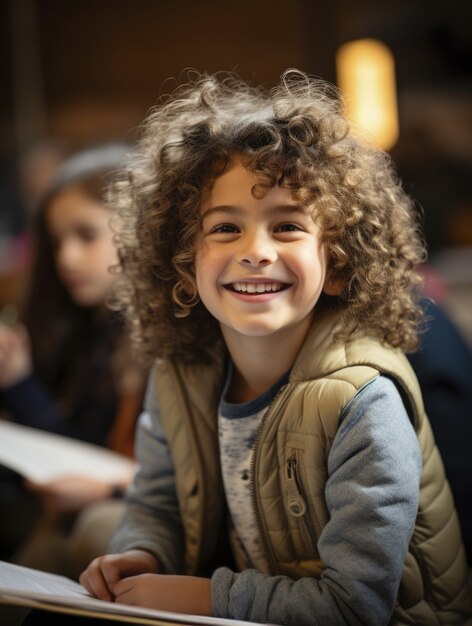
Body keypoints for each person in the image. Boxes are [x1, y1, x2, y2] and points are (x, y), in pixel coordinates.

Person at [69, 70, 472, 626]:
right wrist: (144, 553)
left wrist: (201, 596)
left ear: (338, 265)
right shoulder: (179, 375)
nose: (256, 251)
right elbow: (158, 500)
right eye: (225, 229)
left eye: (286, 227)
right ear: (184, 265)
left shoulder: (364, 402)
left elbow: (356, 607)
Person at [0, 144, 147, 578]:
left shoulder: (153, 338)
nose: (66, 258)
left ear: (137, 228)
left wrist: (21, 385)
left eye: (86, 235)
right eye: (57, 241)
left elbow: (91, 457)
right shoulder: (80, 329)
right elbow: (65, 449)